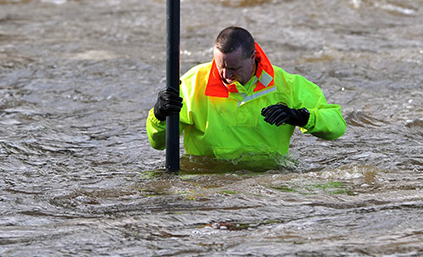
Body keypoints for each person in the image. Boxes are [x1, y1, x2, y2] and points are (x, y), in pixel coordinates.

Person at [147, 26, 346, 163]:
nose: (225, 75)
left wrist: (301, 116)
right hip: (208, 185)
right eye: (219, 66)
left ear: (252, 58)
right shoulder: (192, 83)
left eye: (233, 67)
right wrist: (158, 116)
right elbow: (158, 144)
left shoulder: (287, 85)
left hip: (267, 184)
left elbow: (337, 125)